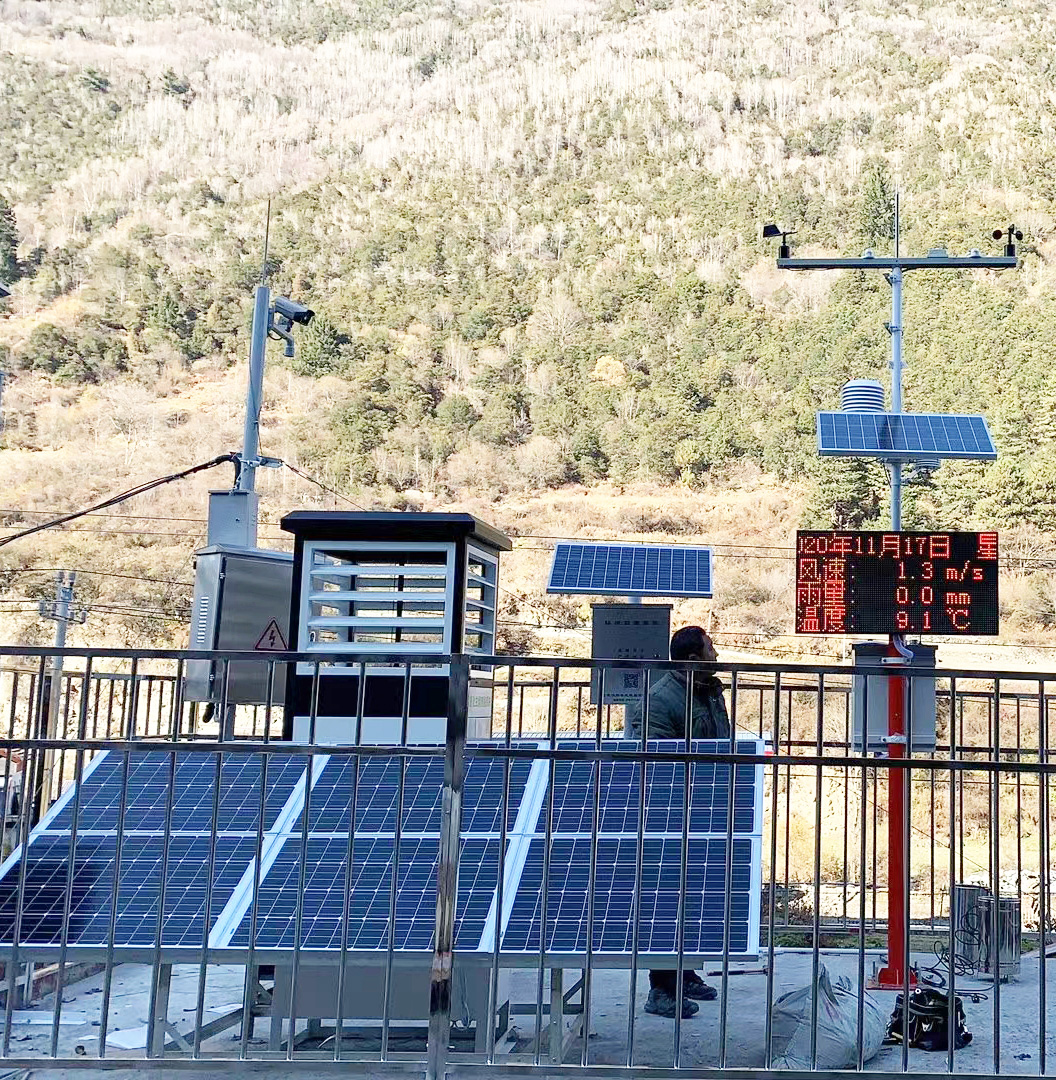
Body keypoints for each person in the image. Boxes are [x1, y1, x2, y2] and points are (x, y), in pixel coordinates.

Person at [627, 625, 731, 1019]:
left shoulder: (709, 693)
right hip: (671, 811)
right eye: (710, 650)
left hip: (705, 804)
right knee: (667, 897)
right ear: (692, 659)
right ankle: (662, 988)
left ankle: (684, 973)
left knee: (694, 896)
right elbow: (658, 762)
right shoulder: (660, 700)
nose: (716, 656)